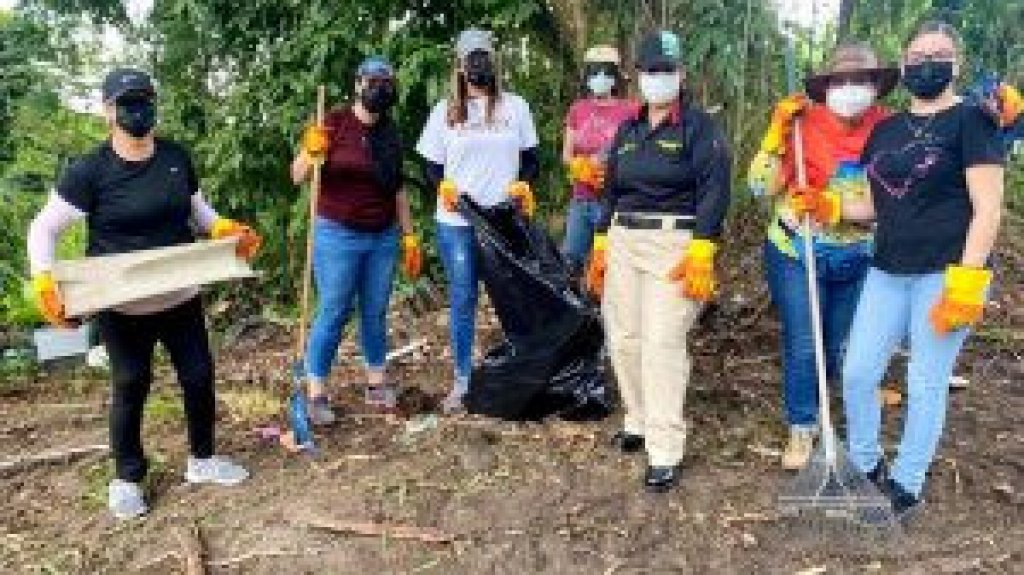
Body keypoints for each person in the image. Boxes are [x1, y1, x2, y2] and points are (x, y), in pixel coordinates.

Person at [26, 68, 262, 520]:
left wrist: (224, 229)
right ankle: (128, 478)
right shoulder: (90, 171)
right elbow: (44, 228)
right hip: (121, 304)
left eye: (144, 100)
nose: (138, 110)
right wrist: (43, 279)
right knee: (131, 384)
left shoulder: (175, 157)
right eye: (127, 102)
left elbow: (199, 212)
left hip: (179, 296)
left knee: (198, 377)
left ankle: (203, 460)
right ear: (108, 111)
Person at [840, 21, 1006, 520]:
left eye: (939, 53)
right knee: (857, 372)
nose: (926, 62)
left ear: (957, 65)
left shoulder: (972, 121)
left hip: (946, 273)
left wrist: (967, 280)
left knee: (925, 379)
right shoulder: (885, 130)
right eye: (917, 54)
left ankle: (907, 482)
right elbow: (865, 207)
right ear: (904, 63)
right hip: (887, 270)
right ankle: (865, 463)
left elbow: (989, 209)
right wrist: (820, 200)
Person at [585, 30, 731, 492]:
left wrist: (703, 248)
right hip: (624, 238)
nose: (659, 78)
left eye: (667, 70)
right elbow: (611, 189)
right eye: (651, 71)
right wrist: (601, 243)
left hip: (676, 243)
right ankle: (640, 419)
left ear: (680, 74)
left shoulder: (699, 128)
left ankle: (665, 447)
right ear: (639, 78)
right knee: (623, 336)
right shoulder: (628, 130)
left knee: (662, 342)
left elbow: (715, 189)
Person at [747, 42, 897, 471]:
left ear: (875, 86)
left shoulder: (889, 128)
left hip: (857, 253)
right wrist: (775, 136)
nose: (850, 88)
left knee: (838, 347)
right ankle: (802, 424)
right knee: (803, 343)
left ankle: (831, 410)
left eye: (860, 80)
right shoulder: (800, 123)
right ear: (827, 86)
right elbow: (759, 188)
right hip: (797, 249)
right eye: (841, 81)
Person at [415, 29, 540, 414]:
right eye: (471, 58)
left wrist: (524, 184)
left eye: (483, 56)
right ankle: (463, 379)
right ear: (460, 65)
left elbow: (532, 157)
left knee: (513, 295)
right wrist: (445, 187)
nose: (478, 64)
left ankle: (522, 371)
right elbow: (430, 164)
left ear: (493, 61)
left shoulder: (515, 107)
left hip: (503, 218)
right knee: (464, 295)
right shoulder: (445, 112)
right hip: (458, 221)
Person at [292, 56, 422, 422]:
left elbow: (397, 190)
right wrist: (312, 150)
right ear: (358, 84)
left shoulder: (390, 133)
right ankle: (317, 390)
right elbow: (297, 175)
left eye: (387, 83)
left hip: (383, 237)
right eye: (373, 81)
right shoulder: (331, 123)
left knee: (375, 309)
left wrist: (409, 235)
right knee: (334, 308)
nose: (380, 88)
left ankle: (376, 382)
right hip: (337, 234)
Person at [562, 45, 637, 279]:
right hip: (582, 200)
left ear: (616, 76)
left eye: (606, 72)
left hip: (615, 204)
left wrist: (616, 168)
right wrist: (579, 166)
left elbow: (640, 151)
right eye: (594, 72)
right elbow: (566, 154)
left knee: (610, 268)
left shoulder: (631, 110)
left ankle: (607, 314)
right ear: (586, 76)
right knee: (571, 262)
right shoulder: (578, 109)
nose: (600, 78)